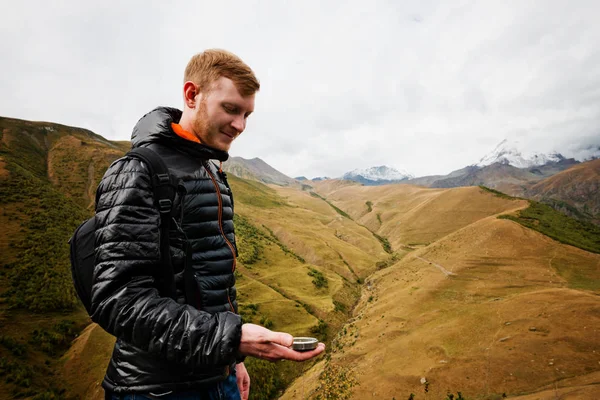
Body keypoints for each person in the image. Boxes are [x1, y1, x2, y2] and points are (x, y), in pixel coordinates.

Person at [91, 49, 325, 400]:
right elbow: (117, 299)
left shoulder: (211, 170)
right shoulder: (138, 171)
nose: (240, 125)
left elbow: (214, 284)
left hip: (215, 375)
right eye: (231, 109)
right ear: (191, 95)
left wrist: (231, 358)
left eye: (247, 114)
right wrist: (233, 338)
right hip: (157, 390)